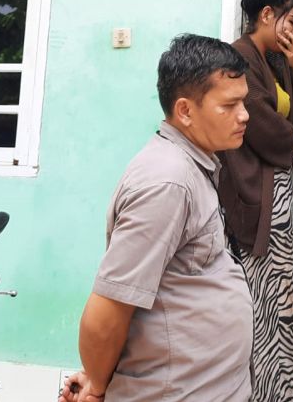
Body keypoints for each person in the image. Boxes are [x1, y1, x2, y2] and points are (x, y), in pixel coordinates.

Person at [61, 34, 253, 402]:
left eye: (243, 101)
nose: (244, 114)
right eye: (229, 105)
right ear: (185, 111)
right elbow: (109, 308)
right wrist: (97, 385)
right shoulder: (168, 181)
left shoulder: (192, 165)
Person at [217, 0, 293, 402]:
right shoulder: (238, 58)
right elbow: (260, 122)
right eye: (291, 21)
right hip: (256, 194)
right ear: (266, 15)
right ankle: (261, 392)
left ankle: (283, 391)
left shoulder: (272, 59)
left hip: (275, 195)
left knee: (282, 301)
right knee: (263, 303)